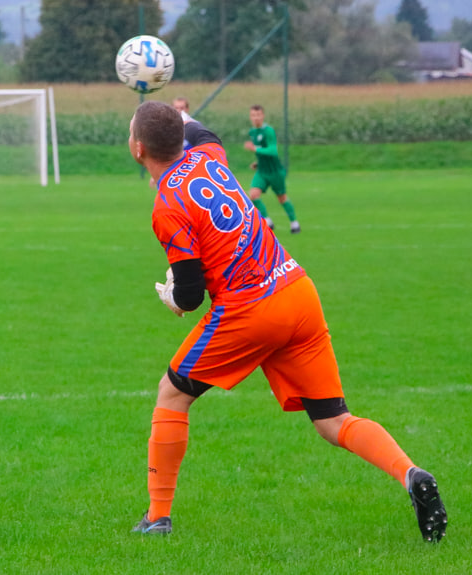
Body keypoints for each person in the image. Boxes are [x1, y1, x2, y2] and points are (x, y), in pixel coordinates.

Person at [128, 100, 447, 542]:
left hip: (251, 309)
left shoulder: (166, 205)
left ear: (137, 149)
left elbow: (191, 293)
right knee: (333, 420)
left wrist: (173, 300)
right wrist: (178, 113)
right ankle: (410, 474)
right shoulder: (208, 155)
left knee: (172, 394)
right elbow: (202, 133)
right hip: (297, 290)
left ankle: (157, 517)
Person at [244, 105, 299, 233]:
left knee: (282, 198)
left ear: (263, 116)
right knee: (253, 195)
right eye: (253, 115)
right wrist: (257, 162)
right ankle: (268, 222)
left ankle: (295, 223)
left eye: (258, 115)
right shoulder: (252, 132)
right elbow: (262, 152)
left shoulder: (268, 131)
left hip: (275, 172)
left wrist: (255, 149)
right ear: (250, 117)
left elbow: (273, 151)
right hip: (262, 171)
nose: (256, 118)